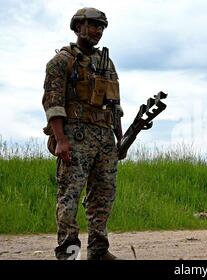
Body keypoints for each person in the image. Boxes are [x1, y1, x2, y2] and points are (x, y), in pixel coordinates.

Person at [42, 7, 125, 260]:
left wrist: (119, 139)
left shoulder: (106, 62)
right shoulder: (62, 61)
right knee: (69, 195)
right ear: (78, 27)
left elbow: (115, 105)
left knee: (104, 195)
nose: (97, 31)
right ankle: (69, 252)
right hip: (75, 137)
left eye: (101, 27)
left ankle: (99, 250)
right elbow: (53, 103)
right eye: (92, 25)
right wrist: (61, 140)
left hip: (104, 138)